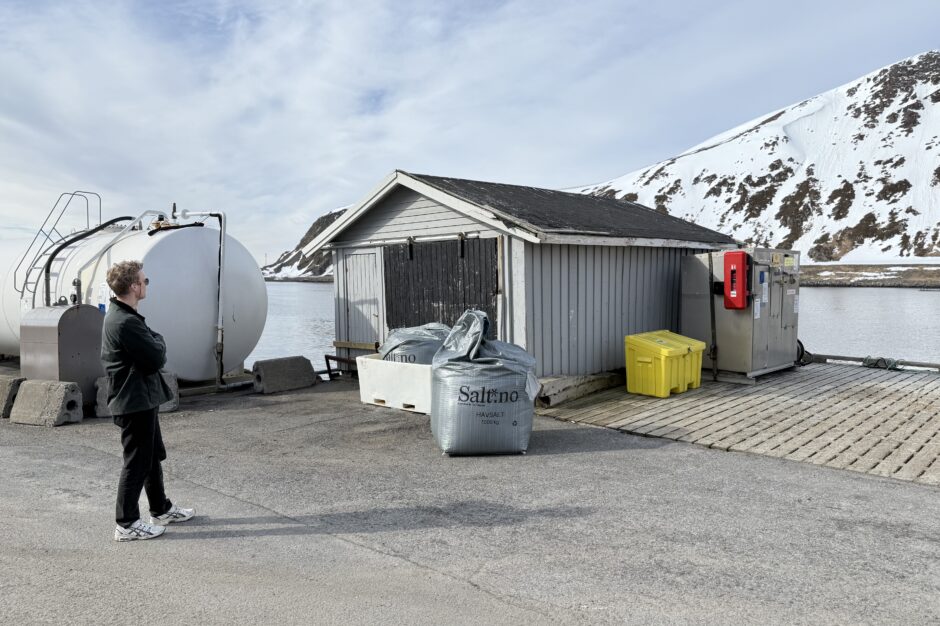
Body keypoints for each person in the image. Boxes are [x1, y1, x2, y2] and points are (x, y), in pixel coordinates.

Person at [101, 260, 195, 541]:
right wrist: (159, 341)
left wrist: (155, 341)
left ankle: (160, 509)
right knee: (136, 462)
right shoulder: (126, 322)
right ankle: (126, 523)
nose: (147, 284)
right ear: (134, 286)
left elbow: (152, 346)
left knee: (151, 457)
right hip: (134, 401)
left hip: (139, 398)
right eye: (145, 280)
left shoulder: (124, 315)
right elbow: (156, 357)